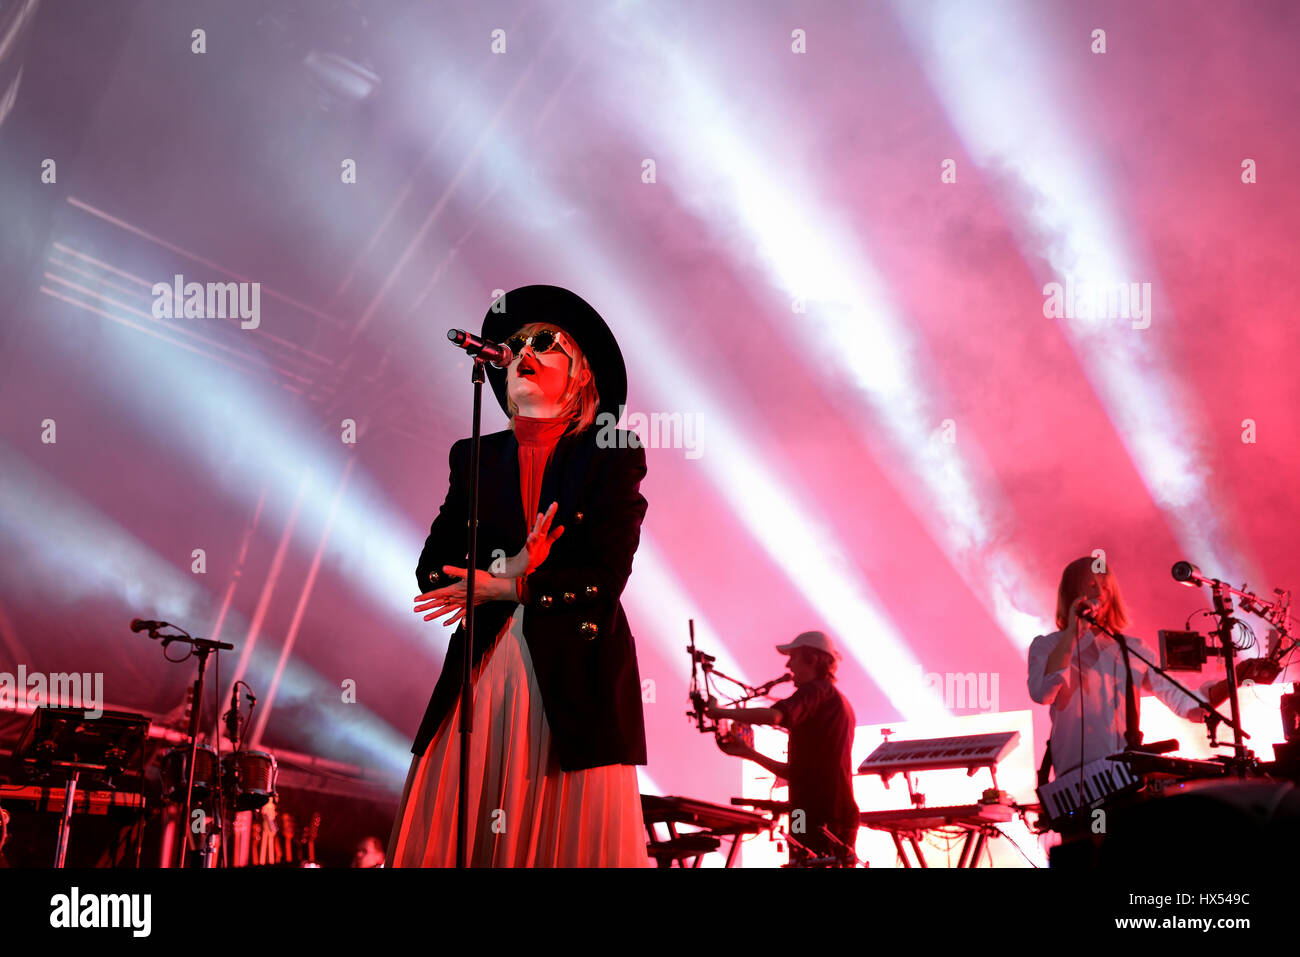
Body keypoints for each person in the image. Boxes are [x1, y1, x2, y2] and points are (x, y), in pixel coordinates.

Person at [388, 285, 652, 867]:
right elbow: (433, 568)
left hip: (571, 675)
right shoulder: (473, 456)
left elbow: (605, 579)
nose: (524, 351)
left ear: (581, 376)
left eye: (545, 342)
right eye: (515, 343)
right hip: (484, 670)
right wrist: (506, 567)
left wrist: (509, 586)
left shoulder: (612, 454)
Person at [1027, 557, 1277, 794]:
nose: (1100, 593)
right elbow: (1042, 694)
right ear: (1072, 592)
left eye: (1105, 586)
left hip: (1123, 778)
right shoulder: (1047, 646)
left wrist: (1238, 678)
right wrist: (1073, 632)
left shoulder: (1132, 648)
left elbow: (1188, 704)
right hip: (1076, 784)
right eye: (1091, 584)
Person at [705, 631, 859, 865]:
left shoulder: (817, 691)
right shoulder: (830, 699)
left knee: (807, 861)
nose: (789, 664)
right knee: (798, 860)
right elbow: (794, 774)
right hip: (805, 811)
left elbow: (776, 716)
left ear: (813, 659)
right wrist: (748, 753)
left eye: (794, 657)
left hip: (825, 814)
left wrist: (721, 712)